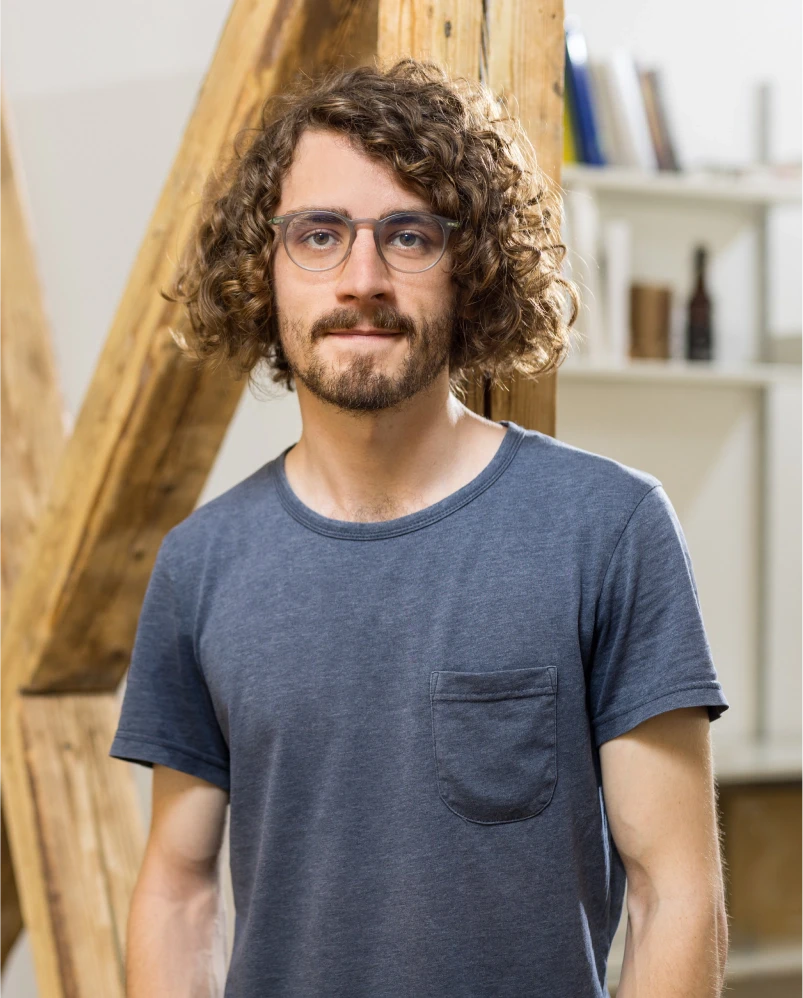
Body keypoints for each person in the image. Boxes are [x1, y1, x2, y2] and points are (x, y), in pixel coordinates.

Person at [109, 58, 730, 997]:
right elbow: (178, 891)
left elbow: (673, 892)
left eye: (407, 236)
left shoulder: (607, 529)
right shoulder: (200, 565)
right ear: (263, 269)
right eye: (319, 235)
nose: (361, 279)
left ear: (470, 268)